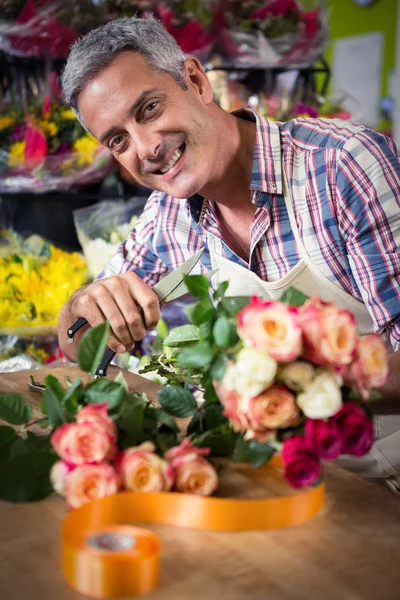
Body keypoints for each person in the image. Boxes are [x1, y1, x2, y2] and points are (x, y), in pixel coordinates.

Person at [58, 16, 400, 486]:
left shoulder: (342, 168)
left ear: (196, 82)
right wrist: (85, 305)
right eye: (118, 140)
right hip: (278, 483)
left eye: (150, 109)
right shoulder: (169, 214)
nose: (147, 148)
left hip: (384, 482)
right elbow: (78, 344)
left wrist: (285, 384)